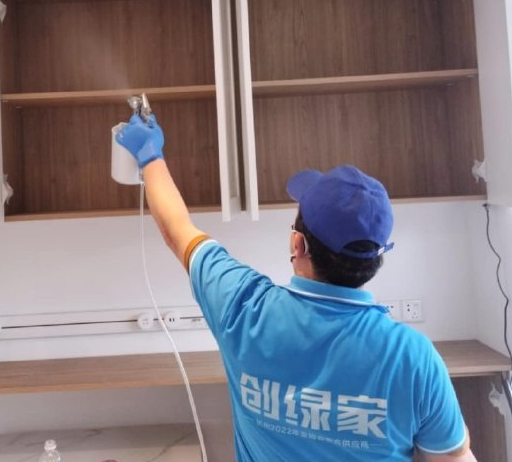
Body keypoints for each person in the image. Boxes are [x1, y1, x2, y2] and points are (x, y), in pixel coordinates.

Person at [116, 113, 477, 462]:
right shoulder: (413, 357)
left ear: (297, 245)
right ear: (376, 258)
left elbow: (177, 231)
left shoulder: (243, 307)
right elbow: (453, 458)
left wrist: (150, 156)